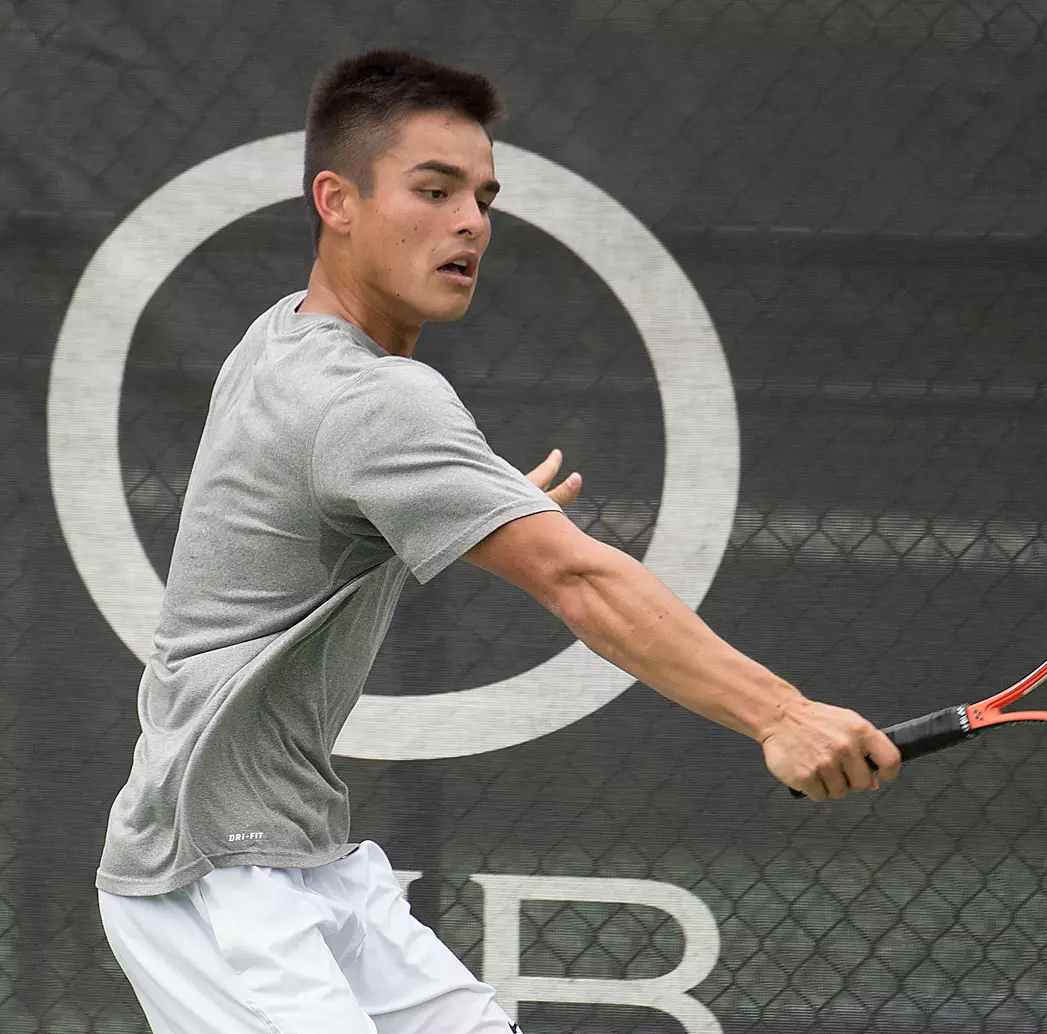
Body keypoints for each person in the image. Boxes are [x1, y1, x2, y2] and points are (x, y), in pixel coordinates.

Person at [95, 48, 900, 1033]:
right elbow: (576, 576)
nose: (470, 220)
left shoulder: (282, 335)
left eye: (483, 195)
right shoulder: (375, 401)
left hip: (305, 858)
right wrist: (782, 712)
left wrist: (467, 502)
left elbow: (301, 519)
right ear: (337, 201)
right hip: (216, 881)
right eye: (432, 190)